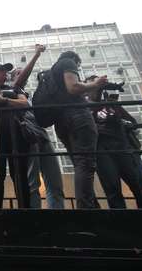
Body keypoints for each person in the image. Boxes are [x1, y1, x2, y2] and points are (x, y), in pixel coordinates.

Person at [51, 51, 107, 208]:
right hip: (78, 118)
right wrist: (96, 84)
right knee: (85, 163)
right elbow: (73, 87)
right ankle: (86, 210)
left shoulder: (52, 73)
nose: (78, 67)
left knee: (80, 163)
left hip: (61, 122)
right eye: (79, 65)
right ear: (75, 60)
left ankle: (91, 205)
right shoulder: (68, 62)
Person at [12, 44, 65, 209]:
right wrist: (36, 55)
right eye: (18, 73)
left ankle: (58, 217)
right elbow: (20, 80)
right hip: (29, 137)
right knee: (33, 183)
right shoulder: (10, 90)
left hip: (42, 135)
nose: (23, 74)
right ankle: (35, 218)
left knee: (55, 182)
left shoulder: (28, 96)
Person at [86, 75, 142, 208]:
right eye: (92, 81)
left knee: (139, 185)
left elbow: (132, 122)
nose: (97, 83)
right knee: (112, 189)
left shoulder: (111, 103)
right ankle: (121, 224)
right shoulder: (82, 107)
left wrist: (124, 123)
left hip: (122, 147)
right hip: (101, 150)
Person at [0, 61, 31, 208]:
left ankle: (25, 210)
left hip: (15, 133)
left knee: (19, 174)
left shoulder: (14, 88)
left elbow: (25, 104)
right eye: (0, 70)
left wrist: (5, 100)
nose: (4, 73)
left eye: (5, 70)